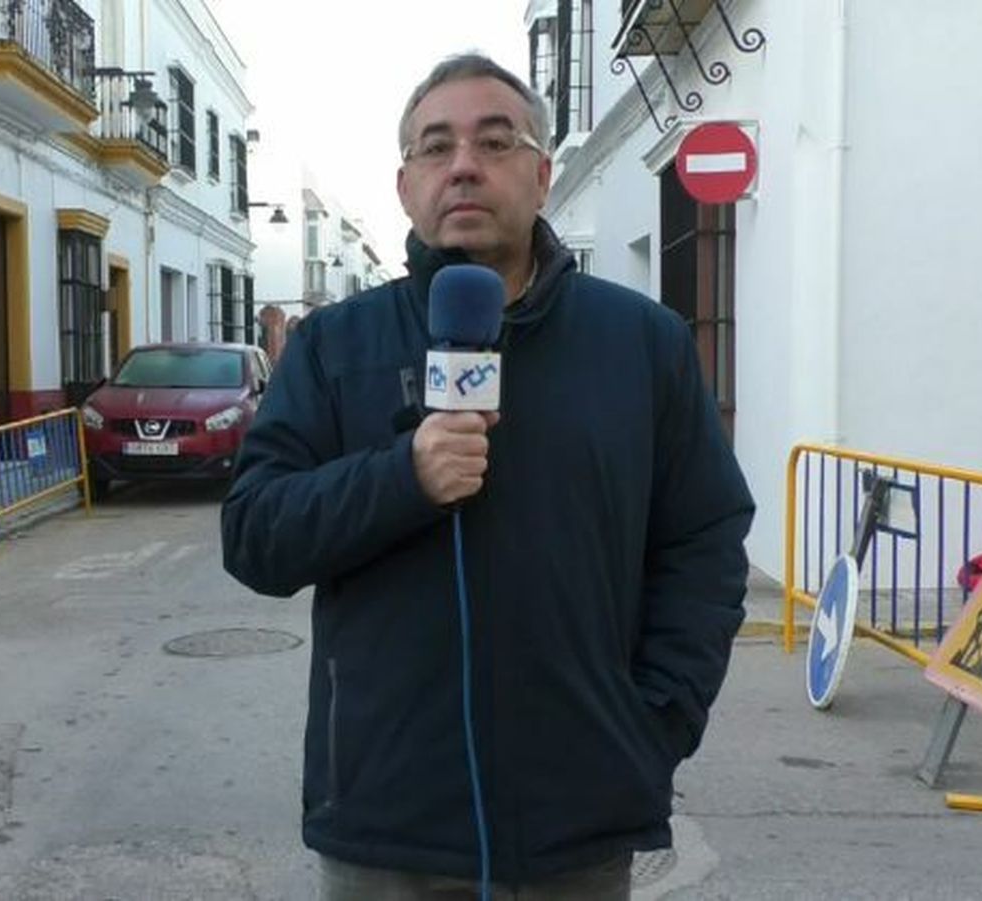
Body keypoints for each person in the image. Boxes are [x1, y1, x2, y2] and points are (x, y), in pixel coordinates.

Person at [220, 53, 754, 900]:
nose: (463, 163)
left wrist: (657, 719)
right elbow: (254, 535)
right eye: (436, 147)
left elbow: (704, 538)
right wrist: (405, 477)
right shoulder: (335, 346)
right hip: (385, 822)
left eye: (495, 141)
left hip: (576, 822)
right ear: (405, 187)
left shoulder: (642, 344)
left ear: (543, 177)